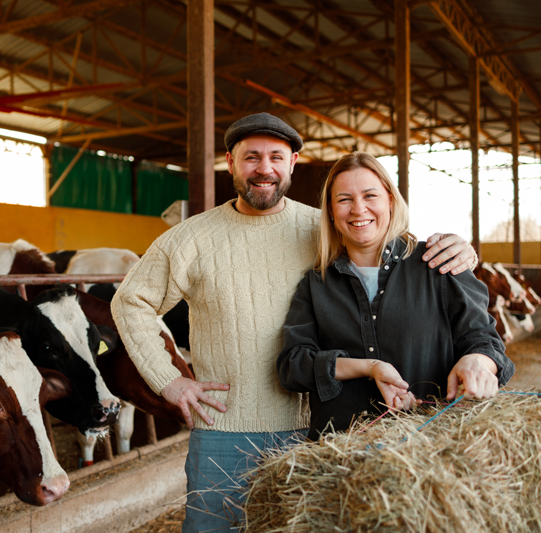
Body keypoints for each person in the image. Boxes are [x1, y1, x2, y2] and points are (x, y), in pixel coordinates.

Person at [110, 113, 478, 533]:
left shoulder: (324, 226)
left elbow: (385, 241)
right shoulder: (190, 239)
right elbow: (130, 303)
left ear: (293, 163)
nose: (263, 168)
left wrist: (462, 252)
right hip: (225, 434)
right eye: (251, 157)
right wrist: (170, 381)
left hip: (319, 431)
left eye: (275, 157)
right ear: (230, 162)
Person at [277, 152, 514, 441]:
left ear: (390, 200)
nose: (358, 209)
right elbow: (293, 366)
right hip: (340, 456)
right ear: (330, 211)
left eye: (370, 196)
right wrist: (368, 367)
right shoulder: (316, 284)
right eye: (344, 199)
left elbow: (485, 342)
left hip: (432, 450)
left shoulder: (437, 262)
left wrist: (477, 361)